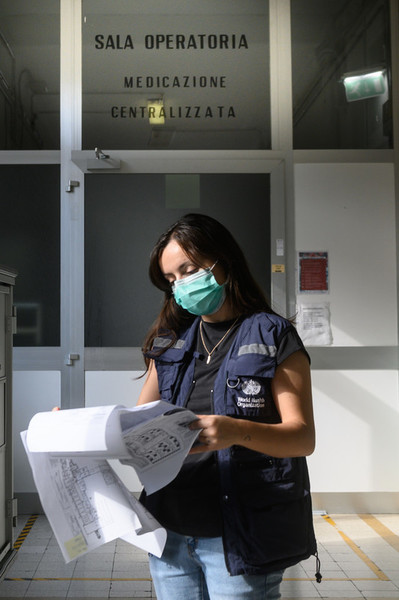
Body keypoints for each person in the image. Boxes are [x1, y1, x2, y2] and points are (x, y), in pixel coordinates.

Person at [137, 213, 319, 600]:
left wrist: (237, 431)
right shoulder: (169, 343)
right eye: (171, 280)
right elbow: (135, 427)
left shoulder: (272, 335)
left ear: (222, 261)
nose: (181, 285)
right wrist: (76, 432)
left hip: (239, 538)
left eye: (187, 270)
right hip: (169, 535)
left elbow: (302, 438)